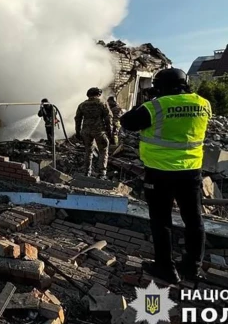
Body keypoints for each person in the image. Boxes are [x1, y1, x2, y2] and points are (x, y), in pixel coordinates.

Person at [120, 68, 211, 284]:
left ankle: (166, 268)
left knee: (161, 221)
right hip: (191, 171)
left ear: (161, 87)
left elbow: (127, 122)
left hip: (160, 173)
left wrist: (144, 102)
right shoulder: (203, 103)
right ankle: (192, 268)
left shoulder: (156, 106)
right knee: (194, 220)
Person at [75, 87, 112, 179]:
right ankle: (102, 173)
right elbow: (108, 118)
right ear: (98, 94)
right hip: (99, 131)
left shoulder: (82, 105)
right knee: (103, 150)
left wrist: (77, 131)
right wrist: (109, 131)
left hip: (86, 131)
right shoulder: (102, 103)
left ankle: (87, 172)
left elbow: (78, 119)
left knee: (88, 151)